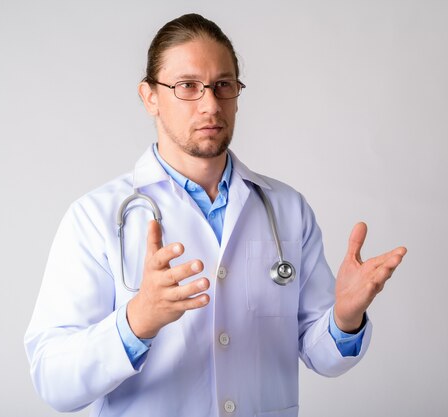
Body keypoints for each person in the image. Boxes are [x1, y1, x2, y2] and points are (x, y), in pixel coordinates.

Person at [24, 13, 407, 417]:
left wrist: (345, 319)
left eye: (223, 85)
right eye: (187, 86)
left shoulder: (286, 209)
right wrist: (137, 321)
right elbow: (54, 381)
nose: (210, 104)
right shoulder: (95, 217)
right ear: (150, 96)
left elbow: (323, 356)